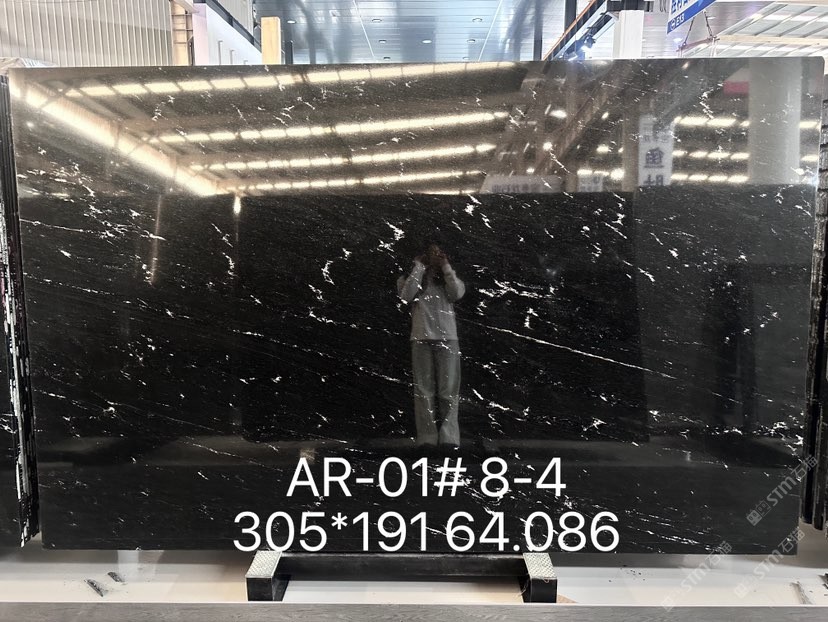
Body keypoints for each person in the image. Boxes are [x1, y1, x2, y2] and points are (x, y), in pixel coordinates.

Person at [397, 244, 465, 449]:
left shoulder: (448, 278)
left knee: (448, 391)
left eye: (438, 252)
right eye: (431, 252)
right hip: (421, 338)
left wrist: (445, 266)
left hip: (448, 338)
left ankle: (449, 438)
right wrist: (419, 267)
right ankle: (427, 439)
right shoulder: (410, 277)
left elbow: (457, 293)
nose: (435, 255)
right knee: (423, 391)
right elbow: (406, 296)